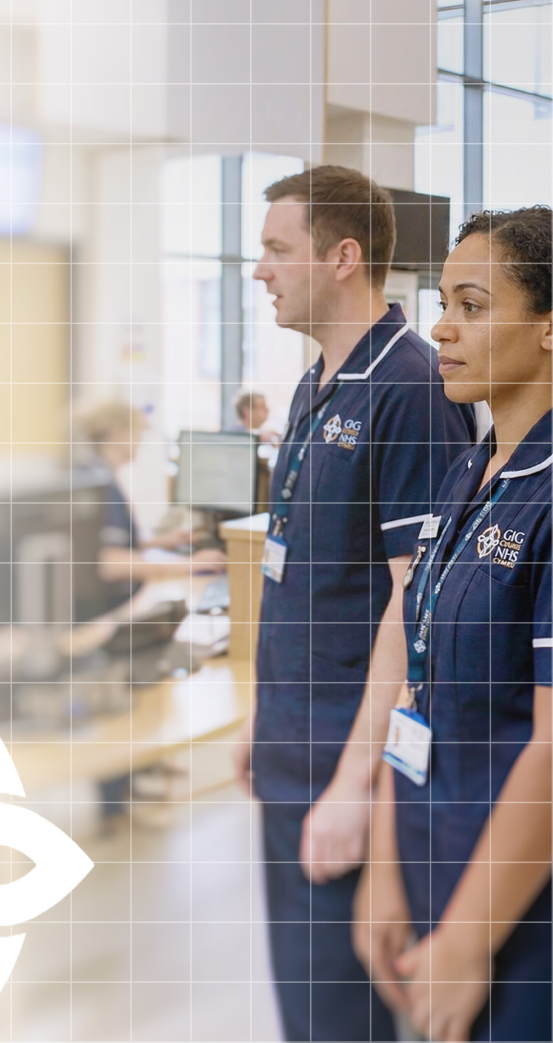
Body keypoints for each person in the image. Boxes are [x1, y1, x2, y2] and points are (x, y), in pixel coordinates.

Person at [232, 165, 475, 1041]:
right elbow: (309, 578)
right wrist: (263, 717)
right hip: (291, 755)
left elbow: (416, 610)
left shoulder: (409, 389)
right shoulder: (315, 385)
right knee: (306, 1016)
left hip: (349, 774)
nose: (258, 270)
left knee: (341, 1023)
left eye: (275, 250)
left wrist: (352, 784)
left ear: (342, 256)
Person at [355, 206, 553, 1042]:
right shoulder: (471, 468)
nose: (441, 327)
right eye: (444, 303)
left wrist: (470, 936)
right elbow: (419, 679)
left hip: (518, 911)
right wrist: (387, 868)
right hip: (434, 860)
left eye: (473, 306)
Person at [82, 401, 225, 615]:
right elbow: (107, 559)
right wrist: (190, 564)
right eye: (136, 432)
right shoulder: (99, 485)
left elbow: (109, 541)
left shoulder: (99, 474)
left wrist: (163, 541)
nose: (140, 441)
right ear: (116, 434)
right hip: (108, 608)